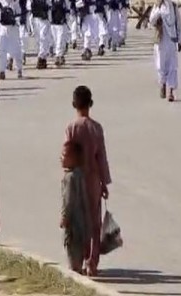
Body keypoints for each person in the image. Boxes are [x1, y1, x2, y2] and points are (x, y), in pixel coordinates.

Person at [63, 85, 111, 277]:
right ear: (90, 104)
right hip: (93, 179)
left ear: (74, 104)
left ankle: (78, 259)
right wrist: (104, 183)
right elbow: (102, 157)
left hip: (76, 179)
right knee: (94, 221)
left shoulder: (71, 128)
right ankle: (92, 262)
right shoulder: (96, 128)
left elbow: (65, 156)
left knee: (77, 218)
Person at [149, 0, 181, 102]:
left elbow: (178, 24)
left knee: (173, 66)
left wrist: (180, 40)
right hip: (160, 40)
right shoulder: (157, 6)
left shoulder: (173, 7)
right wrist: (158, 9)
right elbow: (152, 21)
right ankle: (162, 83)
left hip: (171, 40)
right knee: (160, 65)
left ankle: (171, 91)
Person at [60, 140, 91, 274]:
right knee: (79, 254)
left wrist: (64, 217)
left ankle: (75, 271)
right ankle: (78, 268)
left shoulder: (69, 178)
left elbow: (68, 200)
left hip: (73, 225)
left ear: (73, 159)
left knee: (72, 255)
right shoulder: (80, 175)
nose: (61, 158)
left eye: (64, 155)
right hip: (82, 223)